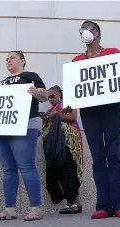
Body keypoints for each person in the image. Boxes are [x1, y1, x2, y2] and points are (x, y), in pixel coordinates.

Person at [0, 51, 47, 221]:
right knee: (8, 168)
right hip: (1, 128)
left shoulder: (30, 76)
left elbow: (44, 97)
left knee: (26, 165)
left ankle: (35, 208)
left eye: (12, 57)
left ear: (22, 61)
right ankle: (10, 209)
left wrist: (35, 92)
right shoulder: (0, 84)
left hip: (26, 124)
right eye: (6, 59)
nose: (8, 60)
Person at [72, 20, 120, 219]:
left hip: (112, 110)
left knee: (113, 154)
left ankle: (119, 204)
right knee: (98, 157)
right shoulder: (77, 61)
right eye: (83, 29)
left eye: (90, 28)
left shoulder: (113, 52)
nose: (86, 32)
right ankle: (103, 206)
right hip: (90, 113)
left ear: (98, 33)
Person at [41, 85, 83, 214]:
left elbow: (73, 117)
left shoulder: (67, 103)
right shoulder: (51, 109)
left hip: (68, 143)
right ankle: (69, 203)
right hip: (56, 145)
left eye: (52, 96)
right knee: (58, 174)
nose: (50, 99)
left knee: (68, 171)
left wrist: (55, 116)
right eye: (48, 97)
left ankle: (77, 204)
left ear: (59, 94)